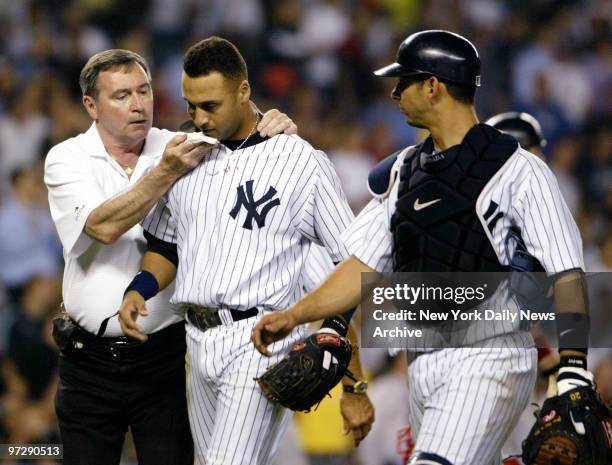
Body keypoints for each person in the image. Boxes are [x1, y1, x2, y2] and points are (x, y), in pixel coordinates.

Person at [252, 30, 594, 465]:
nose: (395, 92)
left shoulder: (519, 170)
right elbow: (358, 267)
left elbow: (567, 273)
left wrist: (573, 366)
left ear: (433, 86)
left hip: (489, 356)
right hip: (423, 363)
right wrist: (296, 315)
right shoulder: (405, 173)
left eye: (404, 80)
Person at [118, 37, 374, 465]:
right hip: (196, 340)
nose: (198, 118)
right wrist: (139, 288)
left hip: (262, 337)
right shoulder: (182, 156)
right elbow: (166, 245)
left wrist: (352, 381)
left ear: (243, 90)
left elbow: (351, 264)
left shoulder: (300, 160)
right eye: (190, 105)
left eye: (210, 106)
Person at [44, 48, 296, 465]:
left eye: (144, 90)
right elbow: (102, 227)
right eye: (121, 95)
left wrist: (274, 124)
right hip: (87, 364)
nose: (138, 103)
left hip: (166, 358)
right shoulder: (67, 158)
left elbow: (243, 136)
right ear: (91, 105)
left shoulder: (181, 143)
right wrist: (165, 171)